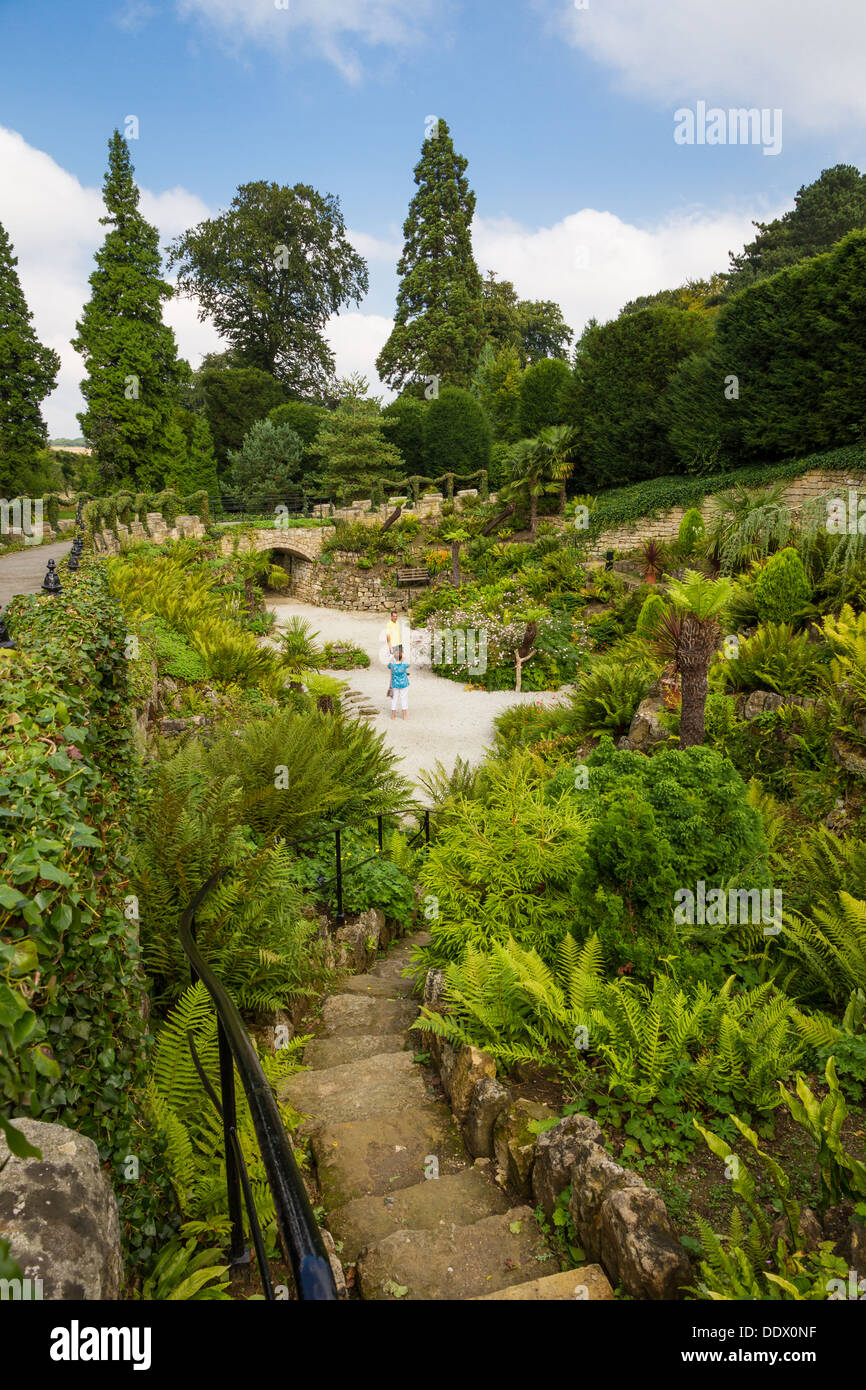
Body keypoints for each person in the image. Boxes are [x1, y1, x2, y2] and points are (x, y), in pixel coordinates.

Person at [388, 644, 409, 720]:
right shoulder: (404, 664)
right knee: (404, 699)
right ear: (401, 657)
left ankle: (393, 715)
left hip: (394, 684)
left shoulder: (392, 665)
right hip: (404, 684)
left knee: (394, 699)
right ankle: (404, 716)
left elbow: (388, 665)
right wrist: (403, 657)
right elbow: (407, 662)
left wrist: (392, 657)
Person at [385, 610, 401, 698]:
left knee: (400, 660)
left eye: (396, 616)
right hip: (394, 645)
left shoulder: (397, 623)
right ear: (391, 617)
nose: (395, 618)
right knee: (394, 664)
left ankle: (401, 673)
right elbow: (388, 636)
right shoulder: (389, 624)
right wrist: (390, 647)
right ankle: (392, 686)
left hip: (399, 644)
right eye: (394, 616)